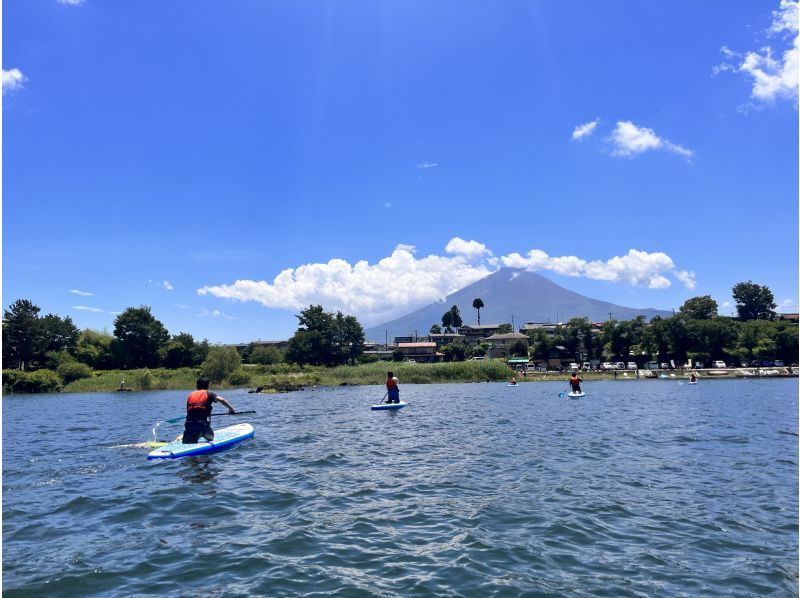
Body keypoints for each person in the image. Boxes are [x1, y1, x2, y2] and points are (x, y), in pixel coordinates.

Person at [183, 377, 236, 444]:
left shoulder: (190, 395)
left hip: (188, 424)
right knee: (211, 437)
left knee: (189, 437)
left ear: (197, 386)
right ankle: (201, 434)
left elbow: (189, 410)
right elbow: (222, 400)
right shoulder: (209, 394)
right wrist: (231, 409)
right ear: (208, 386)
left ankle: (190, 435)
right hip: (202, 425)